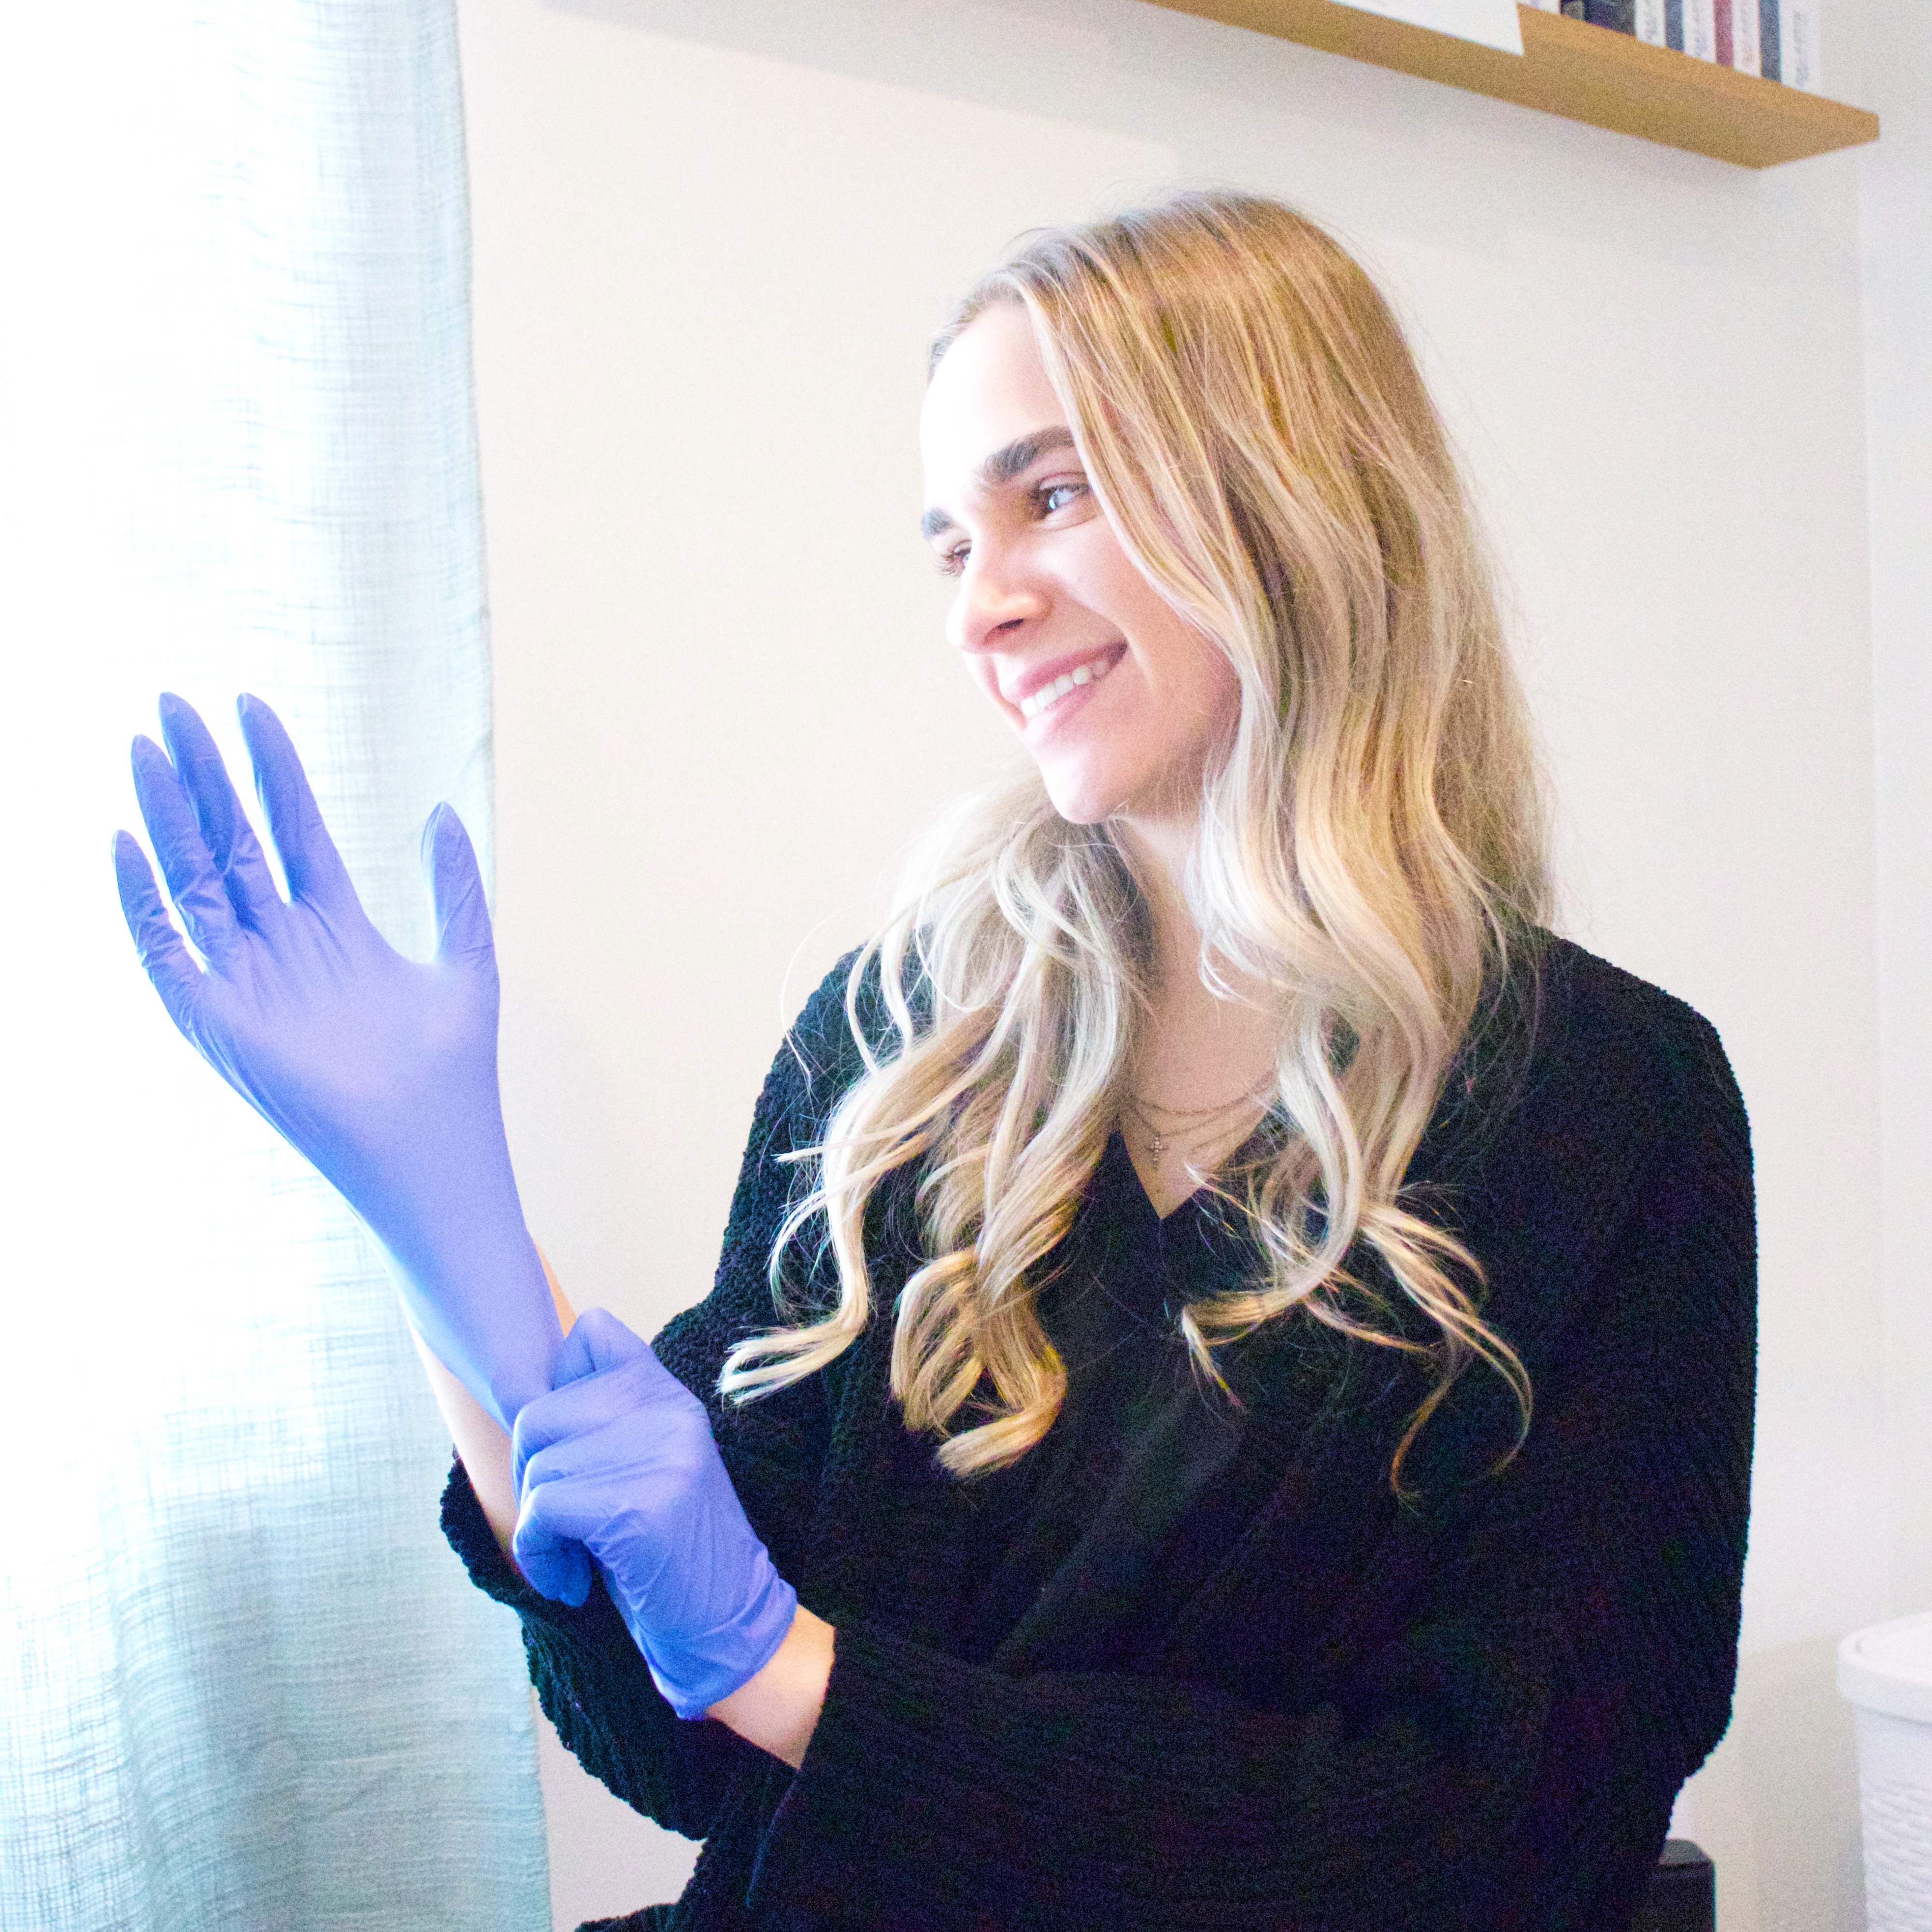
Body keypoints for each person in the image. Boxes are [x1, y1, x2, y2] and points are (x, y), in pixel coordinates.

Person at [114, 193, 1755, 1931]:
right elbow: (686, 1752)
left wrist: (799, 1673)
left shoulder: (1607, 1110)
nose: (985, 607)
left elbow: (1490, 1837)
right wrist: (451, 1249)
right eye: (951, 545)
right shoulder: (904, 1046)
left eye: (1052, 496)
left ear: (1291, 491)